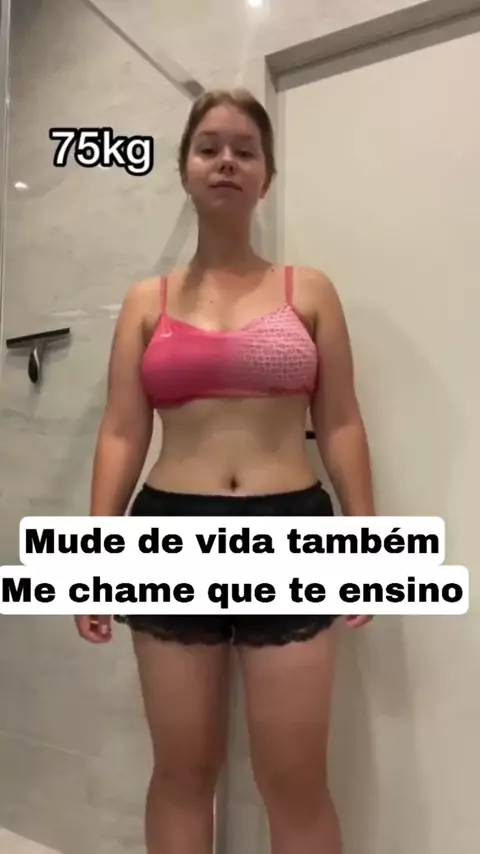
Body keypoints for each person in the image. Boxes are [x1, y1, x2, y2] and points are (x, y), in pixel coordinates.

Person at [75, 88, 375, 854]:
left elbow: (341, 421)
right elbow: (121, 431)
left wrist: (368, 542)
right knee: (182, 773)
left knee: (295, 780)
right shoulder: (147, 302)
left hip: (293, 532)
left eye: (245, 150)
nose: (226, 162)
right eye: (208, 147)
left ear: (266, 175)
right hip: (168, 534)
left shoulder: (308, 291)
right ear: (185, 168)